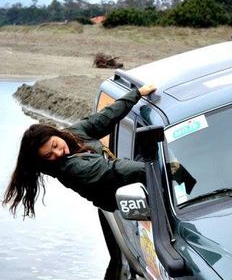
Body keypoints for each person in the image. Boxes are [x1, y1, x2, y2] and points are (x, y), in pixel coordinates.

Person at [3, 84, 157, 217]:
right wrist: (158, 172)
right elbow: (115, 169)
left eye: (55, 146)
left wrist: (136, 93)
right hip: (131, 196)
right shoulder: (72, 169)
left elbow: (105, 117)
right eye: (49, 155)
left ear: (56, 133)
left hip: (129, 171)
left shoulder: (73, 134)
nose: (58, 153)